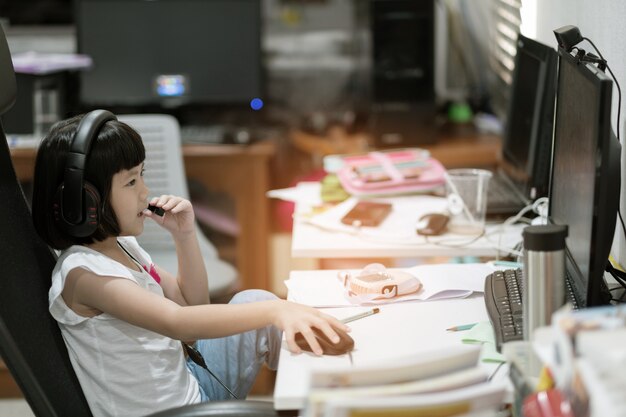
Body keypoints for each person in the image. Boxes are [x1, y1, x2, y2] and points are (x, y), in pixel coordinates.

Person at [31, 112, 349, 417]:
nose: (145, 192)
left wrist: (185, 236)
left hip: (190, 384)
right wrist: (277, 311)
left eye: (142, 175)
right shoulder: (85, 275)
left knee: (256, 301)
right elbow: (178, 322)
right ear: (83, 203)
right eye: (130, 183)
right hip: (174, 413)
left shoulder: (124, 248)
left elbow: (193, 306)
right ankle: (335, 391)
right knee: (268, 309)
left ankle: (334, 375)